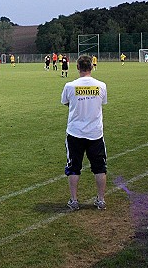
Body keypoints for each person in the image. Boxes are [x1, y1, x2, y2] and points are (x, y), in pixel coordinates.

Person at [61, 55, 108, 211]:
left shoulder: (69, 86)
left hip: (75, 132)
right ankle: (101, 200)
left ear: (77, 67)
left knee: (74, 167)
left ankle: (74, 200)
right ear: (92, 67)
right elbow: (102, 103)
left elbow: (66, 103)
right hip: (95, 132)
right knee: (100, 167)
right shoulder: (101, 86)